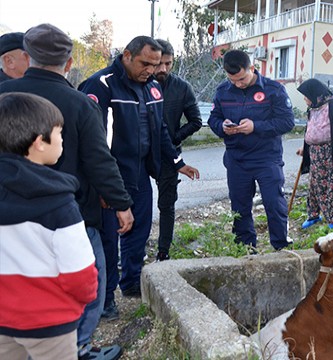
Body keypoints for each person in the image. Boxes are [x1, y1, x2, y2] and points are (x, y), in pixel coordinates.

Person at [0, 23, 132, 360]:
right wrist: (120, 203)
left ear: (27, 58)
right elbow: (99, 160)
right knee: (90, 275)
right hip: (70, 210)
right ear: (69, 63)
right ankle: (79, 346)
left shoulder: (5, 99)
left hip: (7, 211)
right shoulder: (78, 103)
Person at [79, 36, 199, 320]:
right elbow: (93, 141)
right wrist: (101, 186)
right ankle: (104, 300)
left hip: (140, 174)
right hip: (110, 177)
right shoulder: (102, 85)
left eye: (155, 64)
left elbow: (160, 131)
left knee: (138, 231)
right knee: (108, 239)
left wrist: (176, 161)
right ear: (127, 55)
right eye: (145, 63)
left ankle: (131, 282)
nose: (151, 69)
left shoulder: (153, 88)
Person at [0, 92, 98, 360]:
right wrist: (83, 299)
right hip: (49, 322)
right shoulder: (59, 203)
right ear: (39, 143)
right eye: (59, 133)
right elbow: (80, 274)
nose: (63, 139)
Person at [208, 49, 294, 250]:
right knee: (240, 208)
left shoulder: (274, 90)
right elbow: (213, 119)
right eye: (233, 80)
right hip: (237, 159)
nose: (238, 84)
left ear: (252, 68)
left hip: (267, 158)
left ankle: (281, 247)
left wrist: (256, 126)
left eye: (242, 79)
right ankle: (246, 249)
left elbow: (287, 122)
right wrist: (222, 127)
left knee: (274, 203)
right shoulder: (222, 91)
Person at [153, 39, 202, 262]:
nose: (163, 69)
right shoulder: (139, 84)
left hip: (170, 155)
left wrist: (173, 139)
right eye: (159, 64)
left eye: (168, 64)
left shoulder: (182, 88)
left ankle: (163, 251)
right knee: (134, 203)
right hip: (139, 154)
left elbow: (196, 121)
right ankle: (130, 251)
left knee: (166, 204)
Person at [296, 78, 333, 230]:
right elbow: (312, 129)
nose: (305, 99)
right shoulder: (313, 108)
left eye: (306, 95)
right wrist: (305, 148)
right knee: (315, 185)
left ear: (315, 94)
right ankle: (314, 215)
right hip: (315, 153)